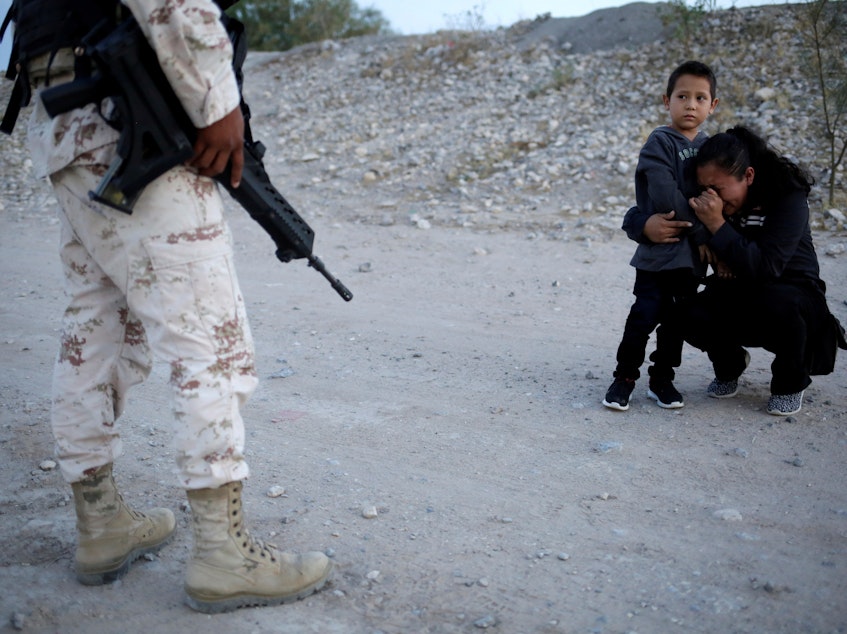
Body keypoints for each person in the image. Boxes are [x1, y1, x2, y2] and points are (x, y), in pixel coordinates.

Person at [2, 0, 331, 614]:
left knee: (97, 325)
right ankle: (223, 553)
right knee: (209, 333)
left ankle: (101, 524)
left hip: (66, 116)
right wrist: (217, 101)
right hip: (123, 105)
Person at [682, 125, 845, 415]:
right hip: (743, 290)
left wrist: (718, 226)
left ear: (748, 176)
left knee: (781, 302)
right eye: (705, 190)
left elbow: (768, 267)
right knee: (688, 311)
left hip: (794, 293)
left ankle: (790, 383)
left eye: (718, 189)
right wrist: (706, 237)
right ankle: (730, 364)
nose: (712, 199)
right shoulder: (715, 204)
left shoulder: (787, 196)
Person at [602, 61, 719, 411]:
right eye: (683, 96)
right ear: (667, 101)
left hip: (690, 262)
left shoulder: (713, 147)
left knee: (675, 324)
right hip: (658, 254)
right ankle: (624, 378)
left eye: (701, 98)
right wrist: (704, 231)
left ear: (713, 105)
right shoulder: (659, 142)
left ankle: (662, 379)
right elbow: (667, 196)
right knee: (643, 316)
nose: (691, 105)